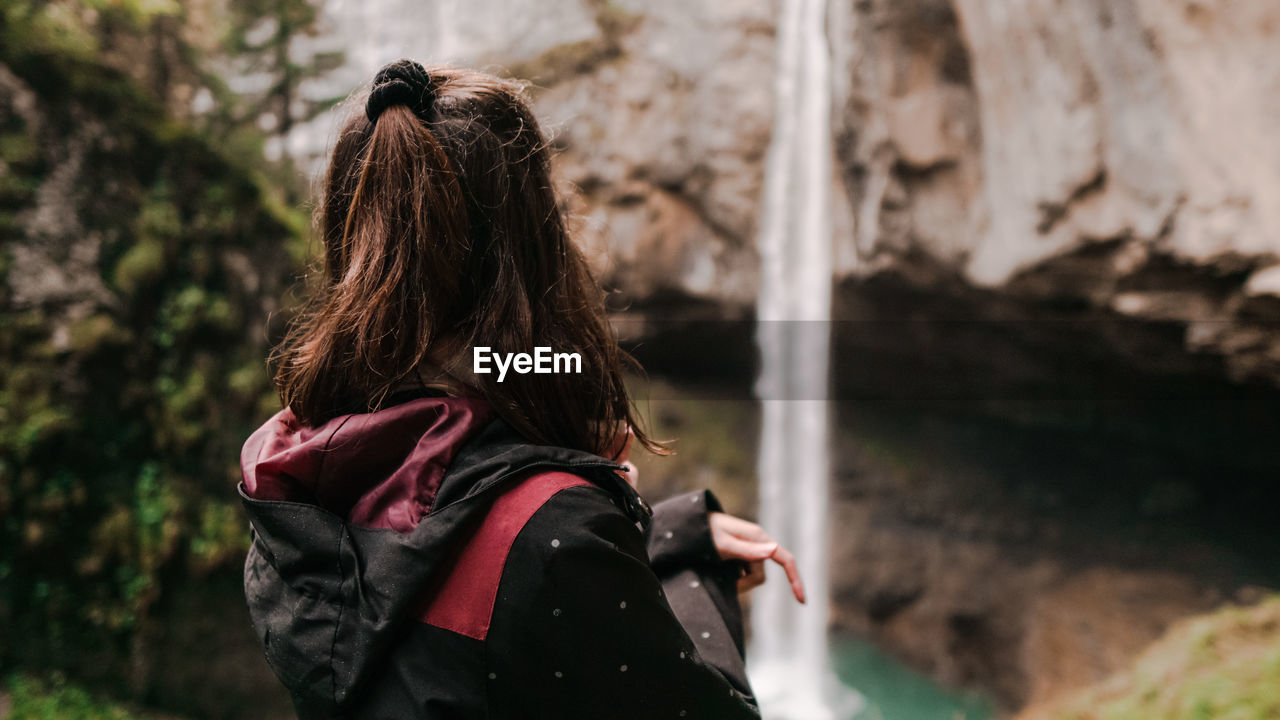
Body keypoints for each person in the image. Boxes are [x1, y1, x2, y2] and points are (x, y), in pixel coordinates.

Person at [237, 59, 804, 720]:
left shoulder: (303, 484)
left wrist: (660, 531)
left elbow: (447, 563)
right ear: (535, 246)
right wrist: (693, 576)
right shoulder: (554, 535)